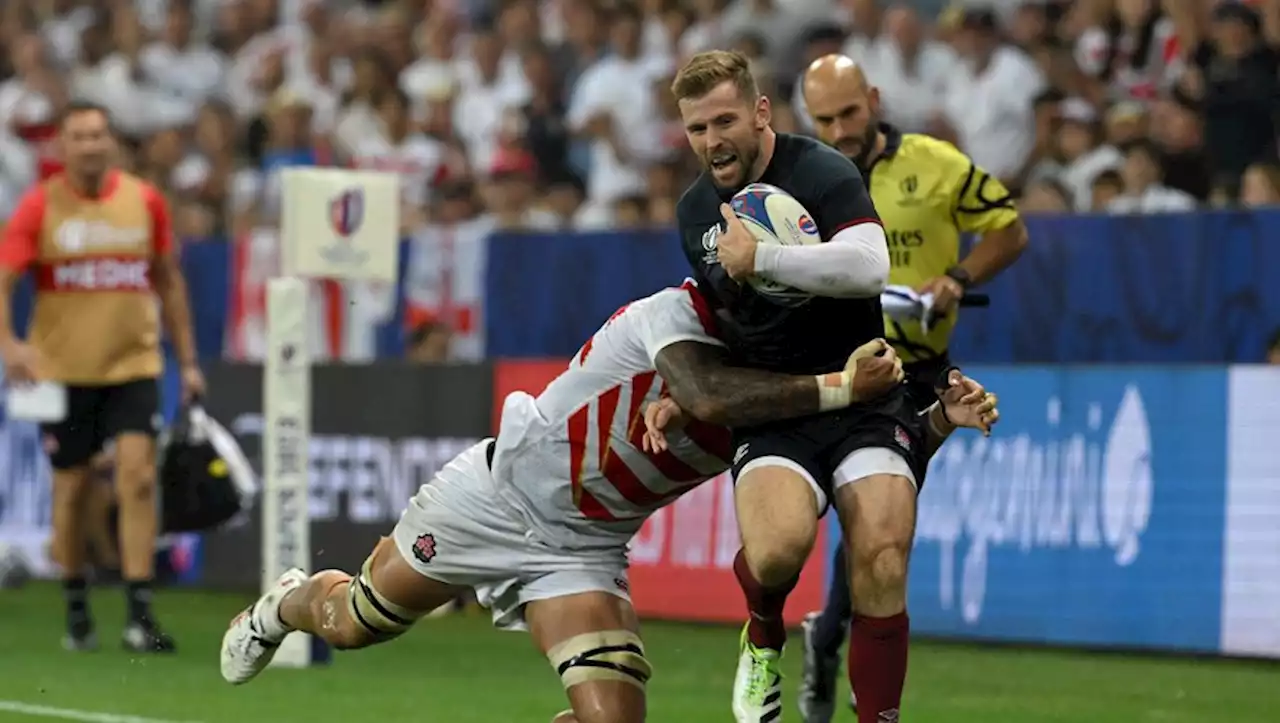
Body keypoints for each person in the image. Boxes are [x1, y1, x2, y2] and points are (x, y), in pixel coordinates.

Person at [219, 282, 999, 723]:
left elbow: (865, 469)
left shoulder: (784, 395)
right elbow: (701, 389)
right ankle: (286, 603)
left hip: (581, 549)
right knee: (353, 622)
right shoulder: (674, 317)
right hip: (494, 497)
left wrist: (934, 421)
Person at [669, 49, 932, 723]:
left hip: (866, 393)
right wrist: (670, 387)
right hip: (779, 407)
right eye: (697, 129)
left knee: (881, 551)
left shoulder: (820, 169)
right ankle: (762, 634)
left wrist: (765, 257)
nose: (711, 141)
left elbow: (871, 264)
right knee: (780, 547)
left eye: (723, 120)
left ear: (760, 112)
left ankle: (879, 715)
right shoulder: (696, 209)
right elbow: (717, 316)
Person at [795, 55, 1028, 723]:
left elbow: (1010, 231)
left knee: (877, 527)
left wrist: (956, 275)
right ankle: (849, 663)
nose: (839, 130)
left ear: (873, 99)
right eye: (824, 119)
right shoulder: (802, 181)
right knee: (875, 525)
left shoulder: (936, 163)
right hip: (846, 371)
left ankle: (828, 634)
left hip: (921, 370)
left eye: (849, 113)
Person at [0, 100, 205, 653]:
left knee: (137, 478)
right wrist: (8, 344)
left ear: (111, 142)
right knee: (70, 491)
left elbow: (169, 283)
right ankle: (76, 608)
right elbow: (4, 276)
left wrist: (186, 361)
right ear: (62, 147)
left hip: (133, 365)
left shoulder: (145, 202)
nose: (90, 144)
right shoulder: (40, 206)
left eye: (97, 134)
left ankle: (139, 612)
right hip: (60, 372)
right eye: (78, 136)